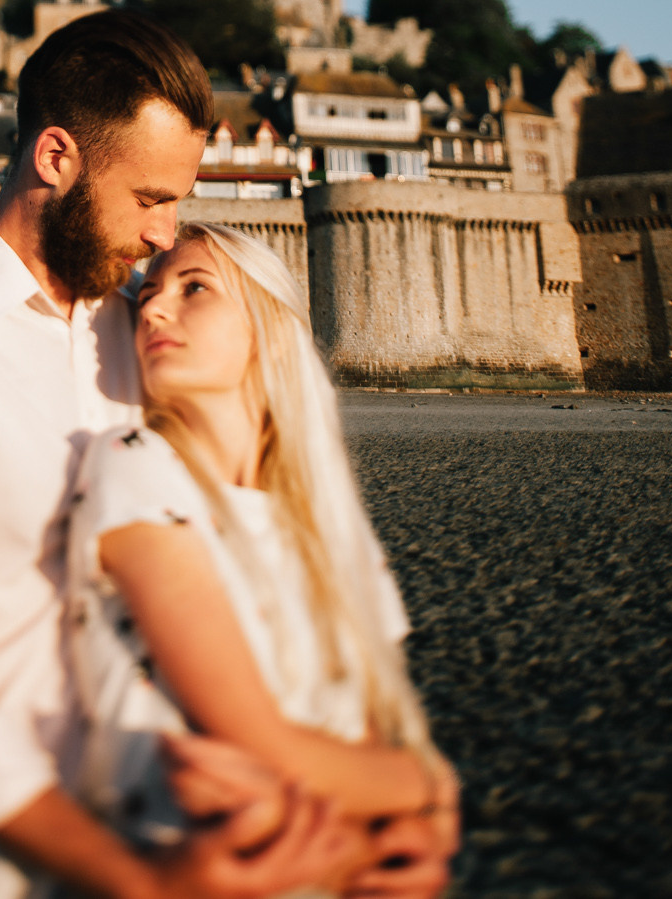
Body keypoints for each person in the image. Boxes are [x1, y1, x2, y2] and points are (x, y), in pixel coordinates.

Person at [0, 12, 447, 899]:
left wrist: (390, 812)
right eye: (151, 197)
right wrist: (144, 881)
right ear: (55, 158)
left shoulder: (148, 321)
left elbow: (279, 519)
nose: (166, 233)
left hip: (212, 827)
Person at [66, 223, 459, 896]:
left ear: (267, 326)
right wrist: (430, 782)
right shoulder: (135, 466)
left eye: (195, 288)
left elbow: (361, 738)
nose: (155, 308)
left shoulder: (324, 520)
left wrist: (380, 821)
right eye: (150, 294)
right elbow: (259, 739)